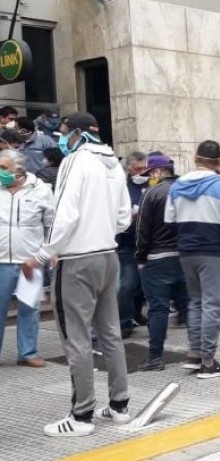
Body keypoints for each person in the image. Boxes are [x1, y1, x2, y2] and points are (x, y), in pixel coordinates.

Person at [22, 112, 132, 436]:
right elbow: (124, 217)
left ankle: (81, 416)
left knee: (76, 338)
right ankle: (119, 406)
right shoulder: (113, 163)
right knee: (110, 334)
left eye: (63, 133)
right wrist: (100, 231)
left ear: (79, 133)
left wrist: (44, 253)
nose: (61, 139)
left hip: (78, 260)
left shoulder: (76, 161)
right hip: (108, 256)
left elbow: (65, 214)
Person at [165, 140, 220, 379]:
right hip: (215, 251)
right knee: (213, 304)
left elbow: (169, 222)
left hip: (187, 251)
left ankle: (195, 354)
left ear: (196, 159)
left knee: (196, 302)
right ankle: (208, 362)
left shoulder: (177, 185)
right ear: (219, 161)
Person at [135, 154, 189, 371]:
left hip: (157, 259)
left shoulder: (152, 193)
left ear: (158, 172)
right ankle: (202, 354)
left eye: (151, 173)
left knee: (158, 309)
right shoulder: (188, 190)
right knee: (189, 307)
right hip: (185, 257)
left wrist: (140, 258)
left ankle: (155, 358)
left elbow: (142, 229)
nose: (150, 177)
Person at [0, 149, 54, 367]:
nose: (0, 172)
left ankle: (28, 353)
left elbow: (51, 225)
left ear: (19, 170)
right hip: (1, 261)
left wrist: (49, 253)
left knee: (29, 308)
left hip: (30, 261)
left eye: (3, 168)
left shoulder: (41, 190)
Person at [116, 152, 148, 338]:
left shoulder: (150, 185)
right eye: (138, 169)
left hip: (147, 242)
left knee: (141, 285)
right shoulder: (122, 187)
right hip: (127, 242)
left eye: (145, 168)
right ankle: (124, 323)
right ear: (129, 168)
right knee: (127, 285)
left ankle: (136, 313)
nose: (142, 172)